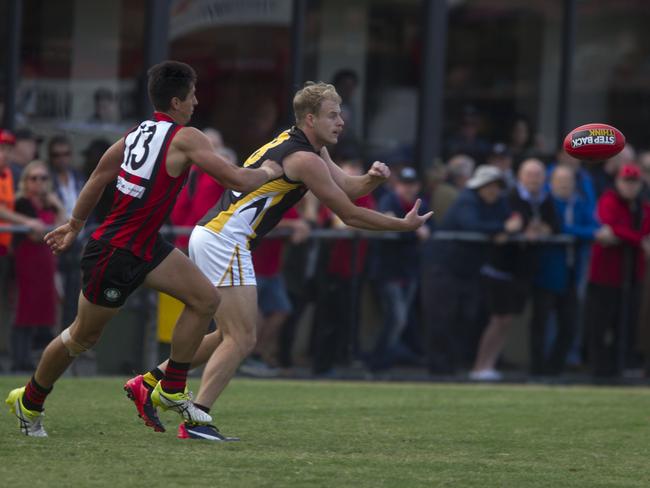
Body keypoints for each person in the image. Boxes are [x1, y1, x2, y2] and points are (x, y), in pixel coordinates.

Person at [128, 81, 433, 441]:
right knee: (243, 338)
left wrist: (371, 179)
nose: (341, 122)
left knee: (228, 335)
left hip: (214, 234)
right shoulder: (303, 158)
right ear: (310, 118)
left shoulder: (308, 149)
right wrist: (402, 225)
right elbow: (349, 215)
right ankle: (197, 419)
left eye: (340, 115)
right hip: (225, 238)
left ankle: (149, 382)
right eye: (332, 115)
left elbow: (347, 189)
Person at [4, 60, 282, 437]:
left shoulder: (136, 133)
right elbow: (234, 178)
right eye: (192, 95)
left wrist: (74, 224)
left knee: (205, 300)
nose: (196, 101)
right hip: (115, 252)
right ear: (176, 100)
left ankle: (170, 386)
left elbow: (99, 176)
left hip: (146, 246)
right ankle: (30, 399)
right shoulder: (187, 137)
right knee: (83, 336)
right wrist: (268, 172)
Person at [470, 158, 560, 381]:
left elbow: (554, 225)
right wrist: (518, 230)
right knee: (498, 319)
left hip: (522, 270)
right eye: (529, 175)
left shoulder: (545, 198)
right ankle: (480, 366)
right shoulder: (508, 197)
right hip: (501, 268)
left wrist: (542, 229)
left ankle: (488, 365)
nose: (533, 180)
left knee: (506, 320)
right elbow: (506, 224)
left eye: (537, 175)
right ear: (520, 176)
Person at [426, 165, 519, 374]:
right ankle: (439, 370)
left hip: (469, 270)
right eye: (489, 186)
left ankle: (455, 366)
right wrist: (502, 229)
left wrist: (508, 227)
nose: (493, 191)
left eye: (497, 187)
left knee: (465, 317)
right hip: (445, 268)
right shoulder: (467, 200)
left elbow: (512, 220)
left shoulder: (498, 202)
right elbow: (472, 225)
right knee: (442, 318)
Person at [529, 166, 601, 376]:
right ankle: (537, 370)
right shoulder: (546, 203)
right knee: (541, 323)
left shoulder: (580, 203)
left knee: (569, 324)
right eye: (560, 181)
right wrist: (583, 233)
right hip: (546, 272)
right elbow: (558, 227)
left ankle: (555, 368)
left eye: (568, 181)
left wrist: (582, 233)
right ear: (551, 183)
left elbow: (594, 227)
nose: (564, 185)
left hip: (573, 272)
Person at [585, 163, 650, 376]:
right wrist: (639, 240)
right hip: (606, 274)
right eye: (626, 182)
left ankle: (619, 365)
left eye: (634, 183)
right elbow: (612, 226)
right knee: (601, 322)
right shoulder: (609, 200)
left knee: (626, 321)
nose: (630, 187)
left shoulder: (642, 206)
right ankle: (599, 368)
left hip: (632, 274)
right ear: (618, 182)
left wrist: (635, 239)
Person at [11, 161, 66, 371]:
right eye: (34, 178)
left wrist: (59, 206)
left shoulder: (50, 204)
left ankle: (41, 364)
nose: (39, 183)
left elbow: (62, 228)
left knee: (46, 312)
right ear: (26, 181)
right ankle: (19, 361)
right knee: (23, 312)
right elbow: (36, 235)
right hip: (26, 263)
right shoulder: (22, 202)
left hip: (47, 264)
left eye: (43, 178)